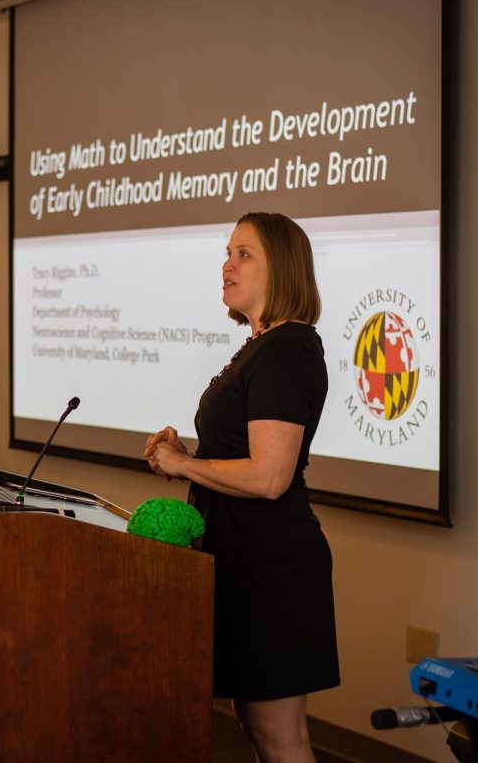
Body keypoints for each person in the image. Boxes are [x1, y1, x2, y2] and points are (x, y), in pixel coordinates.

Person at [144, 211, 338, 763]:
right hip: (240, 555)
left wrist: (184, 466)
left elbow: (269, 476)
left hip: (271, 565)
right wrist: (184, 456)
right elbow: (240, 456)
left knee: (278, 735)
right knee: (257, 726)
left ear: (284, 269)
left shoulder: (289, 349)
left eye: (244, 254)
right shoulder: (261, 346)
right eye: (227, 253)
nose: (227, 265)